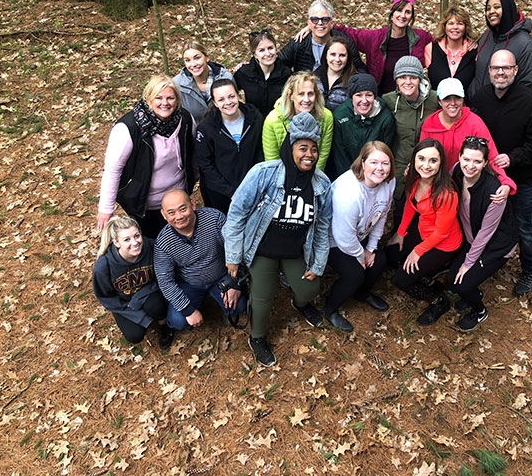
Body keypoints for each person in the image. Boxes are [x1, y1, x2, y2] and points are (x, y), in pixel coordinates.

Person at [223, 113, 332, 367]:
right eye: (302, 148)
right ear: (289, 147)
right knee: (262, 300)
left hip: (295, 250)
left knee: (309, 289)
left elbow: (323, 226)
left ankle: (298, 303)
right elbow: (237, 213)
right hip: (262, 250)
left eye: (313, 149)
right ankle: (257, 337)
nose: (309, 155)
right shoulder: (264, 174)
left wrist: (318, 264)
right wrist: (233, 256)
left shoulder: (321, 184)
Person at [471, 49, 532, 296]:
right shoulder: (482, 97)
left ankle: (529, 270)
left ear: (516, 70)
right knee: (486, 221)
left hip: (523, 179)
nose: (500, 73)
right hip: (490, 177)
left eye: (506, 68)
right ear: (489, 71)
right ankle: (488, 262)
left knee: (523, 225)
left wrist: (512, 158)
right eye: (496, 68)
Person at [97, 76, 197, 238]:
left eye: (170, 98)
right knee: (152, 244)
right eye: (158, 98)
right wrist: (106, 209)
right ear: (148, 99)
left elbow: (193, 151)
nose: (165, 103)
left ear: (177, 100)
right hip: (143, 204)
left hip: (177, 200)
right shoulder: (128, 128)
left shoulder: (184, 119)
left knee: (181, 240)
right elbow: (112, 170)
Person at [387, 138, 462, 326]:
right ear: (414, 160)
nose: (426, 166)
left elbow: (442, 232)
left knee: (401, 280)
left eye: (433, 161)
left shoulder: (446, 193)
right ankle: (429, 279)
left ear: (441, 163)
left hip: (443, 243)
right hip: (424, 231)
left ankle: (438, 302)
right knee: (392, 254)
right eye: (421, 159)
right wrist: (400, 233)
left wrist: (417, 251)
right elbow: (411, 206)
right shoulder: (414, 178)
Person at [449, 138, 519, 330]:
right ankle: (472, 293)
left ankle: (480, 312)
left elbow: (485, 234)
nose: (470, 166)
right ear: (459, 158)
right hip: (471, 237)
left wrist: (468, 263)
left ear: (486, 163)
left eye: (477, 161)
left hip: (496, 245)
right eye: (466, 159)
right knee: (453, 281)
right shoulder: (455, 171)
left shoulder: (494, 193)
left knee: (463, 284)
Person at [324, 142, 395, 332]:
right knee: (354, 274)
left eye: (385, 163)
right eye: (374, 162)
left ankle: (362, 294)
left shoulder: (388, 182)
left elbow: (382, 213)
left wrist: (371, 248)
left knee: (380, 260)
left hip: (359, 234)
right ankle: (330, 309)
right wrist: (360, 255)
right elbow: (344, 237)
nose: (380, 169)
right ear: (362, 163)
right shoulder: (349, 192)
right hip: (334, 241)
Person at [153, 190, 244, 330]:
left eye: (183, 209)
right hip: (190, 284)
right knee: (178, 321)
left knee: (240, 304)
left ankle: (228, 310)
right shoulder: (164, 243)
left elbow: (236, 248)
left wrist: (235, 283)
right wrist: (188, 311)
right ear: (164, 215)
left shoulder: (214, 219)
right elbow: (165, 281)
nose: (178, 216)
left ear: (193, 205)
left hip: (221, 276)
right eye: (171, 213)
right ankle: (196, 308)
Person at [419, 77, 517, 197]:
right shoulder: (429, 124)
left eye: (457, 98)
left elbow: (490, 155)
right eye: (447, 99)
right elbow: (422, 156)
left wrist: (505, 181)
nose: (453, 103)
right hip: (438, 184)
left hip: (467, 183)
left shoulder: (474, 123)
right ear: (439, 101)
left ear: (463, 99)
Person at [93, 216, 174, 349]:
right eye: (127, 239)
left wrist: (140, 297)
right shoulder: (103, 266)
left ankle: (164, 325)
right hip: (125, 304)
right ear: (116, 243)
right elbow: (106, 297)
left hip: (150, 293)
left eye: (137, 236)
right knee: (134, 336)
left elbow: (163, 277)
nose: (135, 242)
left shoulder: (152, 247)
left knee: (156, 306)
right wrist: (133, 312)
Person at [332, 0, 433, 95]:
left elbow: (440, 45)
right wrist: (327, 25)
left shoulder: (421, 38)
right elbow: (351, 34)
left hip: (410, 98)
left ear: (411, 17)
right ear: (392, 13)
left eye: (407, 12)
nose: (403, 15)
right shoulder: (375, 38)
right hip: (380, 98)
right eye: (399, 10)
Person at [194, 78, 264, 213]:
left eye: (231, 96)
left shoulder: (255, 118)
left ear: (238, 95)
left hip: (253, 189)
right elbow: (206, 165)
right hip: (221, 195)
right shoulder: (206, 128)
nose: (228, 102)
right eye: (221, 99)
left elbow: (260, 152)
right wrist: (231, 192)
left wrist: (255, 185)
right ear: (214, 103)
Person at [381, 56, 440, 210]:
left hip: (427, 167)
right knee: (401, 212)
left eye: (413, 77)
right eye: (402, 77)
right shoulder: (388, 101)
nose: (408, 82)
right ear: (396, 80)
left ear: (420, 79)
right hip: (399, 167)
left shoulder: (435, 99)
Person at [470, 0, 532, 99]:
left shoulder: (526, 44)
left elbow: (527, 85)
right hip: (476, 104)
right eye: (488, 9)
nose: (491, 11)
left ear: (507, 10)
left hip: (501, 109)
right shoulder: (487, 35)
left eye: (497, 7)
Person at [327, 74, 395, 180]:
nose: (364, 100)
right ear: (351, 97)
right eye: (358, 95)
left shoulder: (385, 118)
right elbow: (340, 154)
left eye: (369, 95)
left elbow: (384, 153)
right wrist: (351, 179)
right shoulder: (340, 115)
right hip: (347, 175)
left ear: (375, 97)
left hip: (374, 175)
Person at [262, 72, 334, 171]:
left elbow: (322, 156)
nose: (306, 99)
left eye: (310, 94)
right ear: (291, 95)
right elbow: (272, 161)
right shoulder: (273, 120)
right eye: (301, 94)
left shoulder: (326, 117)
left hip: (313, 172)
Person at [278, 0, 367, 74]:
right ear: (308, 23)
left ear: (332, 23)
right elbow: (278, 63)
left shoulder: (344, 42)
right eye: (315, 19)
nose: (320, 23)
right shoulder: (299, 42)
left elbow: (360, 68)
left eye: (325, 19)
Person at [233, 30, 292, 117]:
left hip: (277, 124)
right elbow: (230, 94)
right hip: (254, 123)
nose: (267, 54)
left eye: (270, 48)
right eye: (261, 50)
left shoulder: (286, 74)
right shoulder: (244, 73)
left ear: (276, 48)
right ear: (255, 54)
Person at [424, 4, 478, 98]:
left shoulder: (473, 51)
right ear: (444, 27)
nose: (455, 27)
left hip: (465, 107)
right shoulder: (431, 49)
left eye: (460, 23)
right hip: (436, 107)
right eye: (451, 23)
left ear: (465, 27)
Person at [173, 39, 232, 122]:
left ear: (207, 57)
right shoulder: (178, 84)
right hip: (194, 133)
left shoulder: (225, 78)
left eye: (197, 58)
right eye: (187, 60)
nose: (193, 64)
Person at [316, 35, 359, 112]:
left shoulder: (355, 82)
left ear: (348, 58)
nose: (337, 59)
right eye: (333, 54)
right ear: (326, 55)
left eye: (342, 55)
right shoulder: (313, 78)